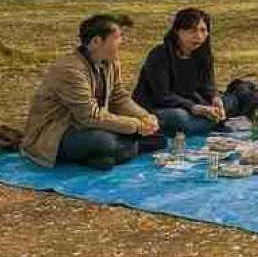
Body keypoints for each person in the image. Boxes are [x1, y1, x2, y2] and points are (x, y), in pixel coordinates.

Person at [21, 14, 160, 170]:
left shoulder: (110, 61)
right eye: (117, 37)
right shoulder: (70, 70)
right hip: (59, 132)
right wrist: (136, 126)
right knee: (104, 141)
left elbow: (118, 97)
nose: (122, 41)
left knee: (157, 137)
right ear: (96, 42)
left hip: (91, 125)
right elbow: (89, 116)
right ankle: (120, 149)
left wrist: (144, 116)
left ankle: (106, 156)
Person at [132, 8, 244, 135]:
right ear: (177, 32)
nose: (199, 36)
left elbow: (208, 86)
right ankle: (211, 123)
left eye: (203, 30)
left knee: (228, 102)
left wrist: (215, 99)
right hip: (160, 106)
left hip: (192, 103)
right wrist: (194, 108)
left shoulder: (204, 54)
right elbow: (163, 96)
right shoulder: (160, 55)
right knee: (179, 118)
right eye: (192, 31)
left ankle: (208, 122)